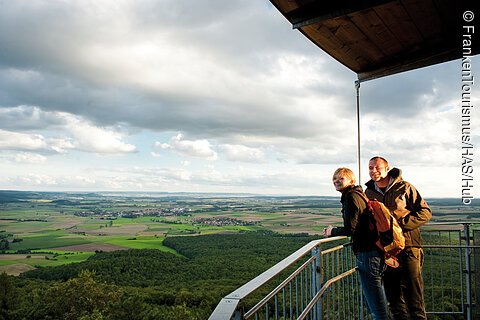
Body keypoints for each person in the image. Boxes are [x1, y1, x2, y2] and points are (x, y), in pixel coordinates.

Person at [365, 156, 432, 320]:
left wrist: (398, 227)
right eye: (370, 167)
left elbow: (425, 212)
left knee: (414, 297)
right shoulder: (368, 192)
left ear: (387, 169)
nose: (373, 171)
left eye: (377, 167)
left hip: (409, 247)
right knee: (394, 299)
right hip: (387, 251)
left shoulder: (404, 187)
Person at [323, 167, 389, 320]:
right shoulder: (359, 194)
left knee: (376, 306)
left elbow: (350, 228)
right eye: (334, 179)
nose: (337, 181)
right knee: (378, 300)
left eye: (341, 178)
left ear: (351, 180)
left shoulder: (351, 197)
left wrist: (332, 231)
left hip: (367, 253)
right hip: (374, 251)